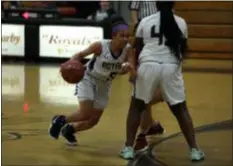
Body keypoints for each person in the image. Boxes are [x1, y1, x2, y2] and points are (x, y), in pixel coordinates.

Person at [120, 1, 205, 161]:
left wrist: (134, 69)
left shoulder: (145, 21)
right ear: (173, 4)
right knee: (181, 110)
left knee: (136, 107)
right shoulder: (181, 22)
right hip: (170, 66)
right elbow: (183, 48)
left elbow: (137, 48)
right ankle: (194, 150)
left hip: (148, 65)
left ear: (156, 5)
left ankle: (128, 148)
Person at [48, 15, 135, 146]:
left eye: (128, 36)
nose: (126, 39)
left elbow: (130, 69)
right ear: (114, 36)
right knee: (85, 112)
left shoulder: (128, 50)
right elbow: (79, 55)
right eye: (122, 36)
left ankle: (69, 130)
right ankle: (60, 120)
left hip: (105, 83)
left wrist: (128, 69)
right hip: (88, 78)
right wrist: (70, 64)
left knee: (93, 121)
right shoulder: (100, 46)